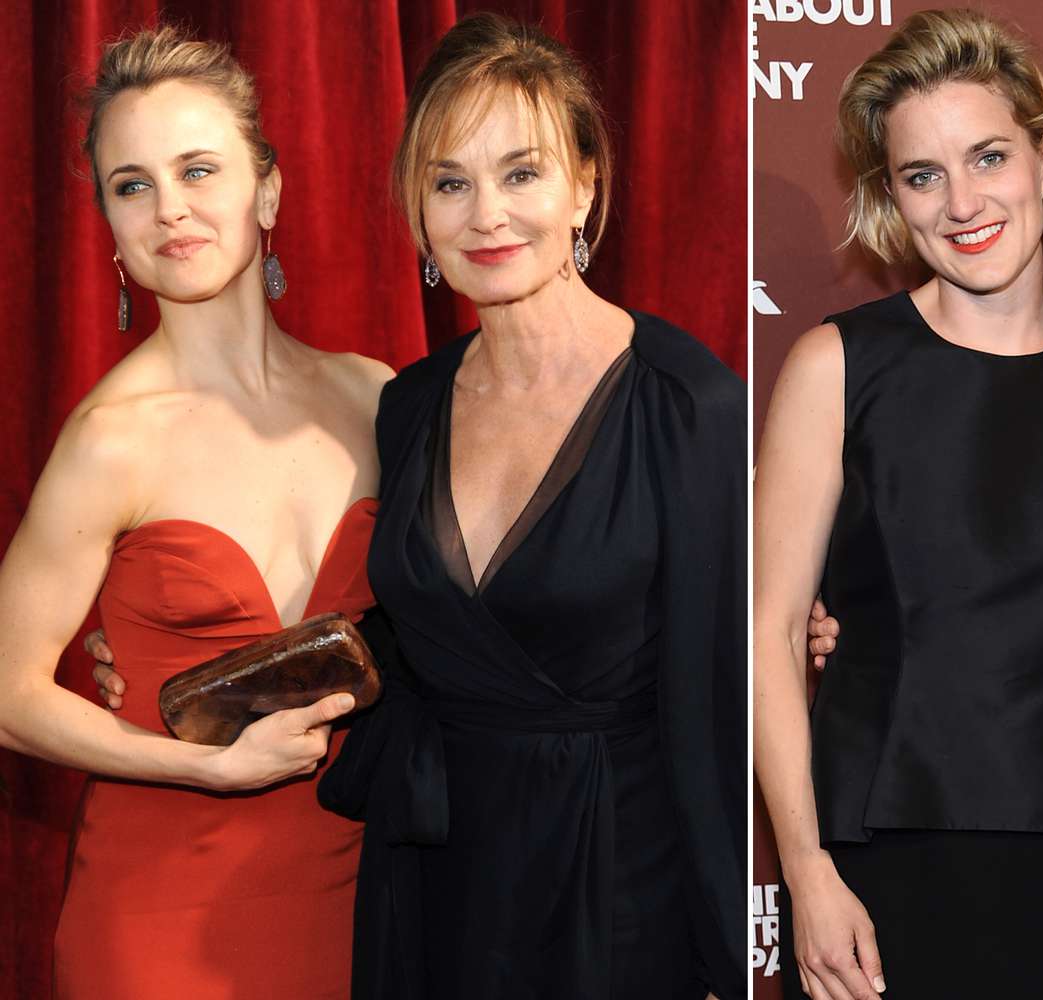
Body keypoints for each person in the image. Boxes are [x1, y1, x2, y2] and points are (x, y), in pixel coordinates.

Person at [308, 15, 744, 1000]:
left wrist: (723, 949)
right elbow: (405, 637)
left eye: (521, 173)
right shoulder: (408, 404)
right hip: (431, 878)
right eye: (450, 183)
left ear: (584, 185)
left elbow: (713, 705)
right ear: (419, 211)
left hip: (613, 889)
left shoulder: (687, 403)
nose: (486, 216)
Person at [753, 10, 1043, 1000]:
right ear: (892, 196)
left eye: (988, 157)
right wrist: (807, 871)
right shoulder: (837, 366)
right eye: (922, 175)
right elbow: (769, 632)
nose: (962, 202)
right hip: (869, 858)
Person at [0, 26, 392, 999]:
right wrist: (205, 767)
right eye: (131, 184)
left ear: (268, 191)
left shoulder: (374, 398)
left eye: (198, 169)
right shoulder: (112, 438)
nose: (168, 207)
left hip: (362, 900)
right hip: (157, 921)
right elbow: (6, 692)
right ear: (110, 223)